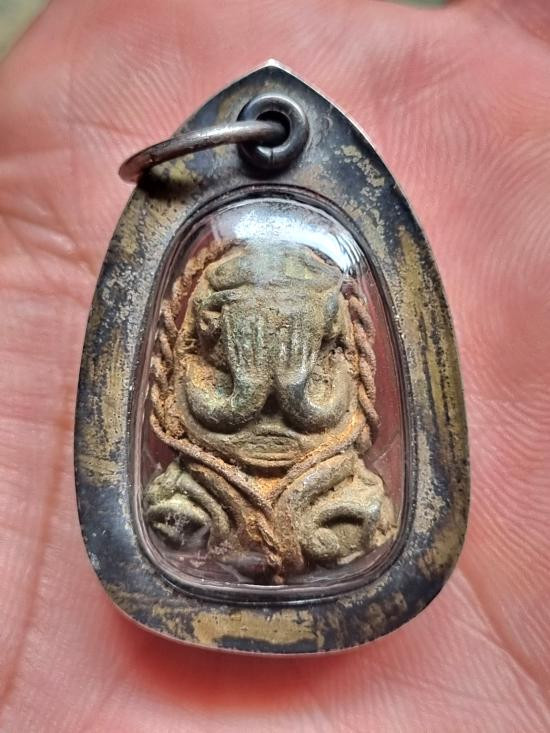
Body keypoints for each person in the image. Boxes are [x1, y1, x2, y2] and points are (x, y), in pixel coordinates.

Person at [1, 0, 549, 730]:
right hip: (204, 481)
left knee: (349, 517)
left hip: (324, 483)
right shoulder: (180, 477)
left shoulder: (354, 490)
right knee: (183, 516)